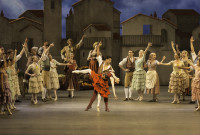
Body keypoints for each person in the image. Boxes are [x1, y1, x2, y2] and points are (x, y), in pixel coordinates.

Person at [73, 44, 119, 112]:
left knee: (105, 95)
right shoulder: (101, 62)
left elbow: (112, 75)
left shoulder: (110, 68)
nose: (110, 61)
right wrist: (98, 47)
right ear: (106, 59)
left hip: (103, 82)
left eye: (110, 60)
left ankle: (106, 107)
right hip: (98, 78)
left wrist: (116, 78)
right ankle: (89, 105)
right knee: (94, 92)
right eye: (109, 60)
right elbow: (98, 55)